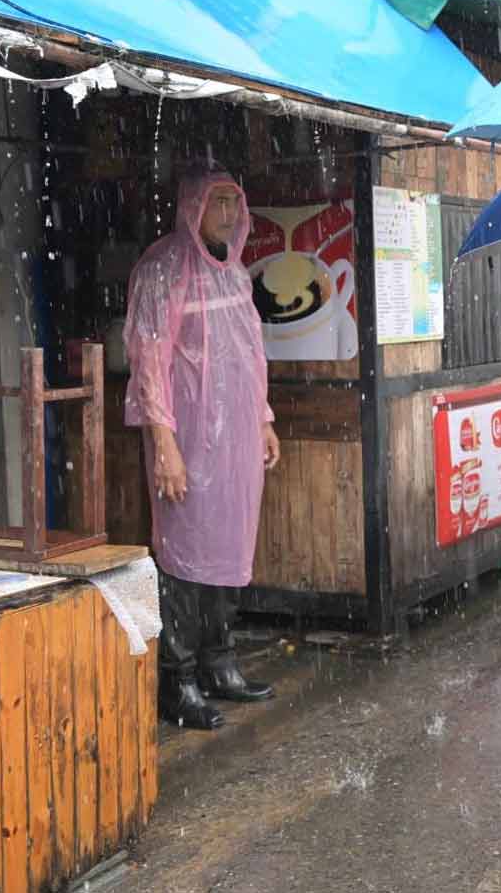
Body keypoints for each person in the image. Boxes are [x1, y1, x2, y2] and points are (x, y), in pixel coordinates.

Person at [124, 171, 279, 731]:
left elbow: (251, 354)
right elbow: (148, 360)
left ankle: (219, 663)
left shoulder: (233, 272)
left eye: (234, 201)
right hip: (187, 438)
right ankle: (179, 679)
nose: (229, 212)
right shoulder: (164, 269)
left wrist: (262, 418)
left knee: (230, 548)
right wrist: (163, 441)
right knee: (185, 557)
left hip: (235, 439)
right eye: (218, 202)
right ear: (192, 207)